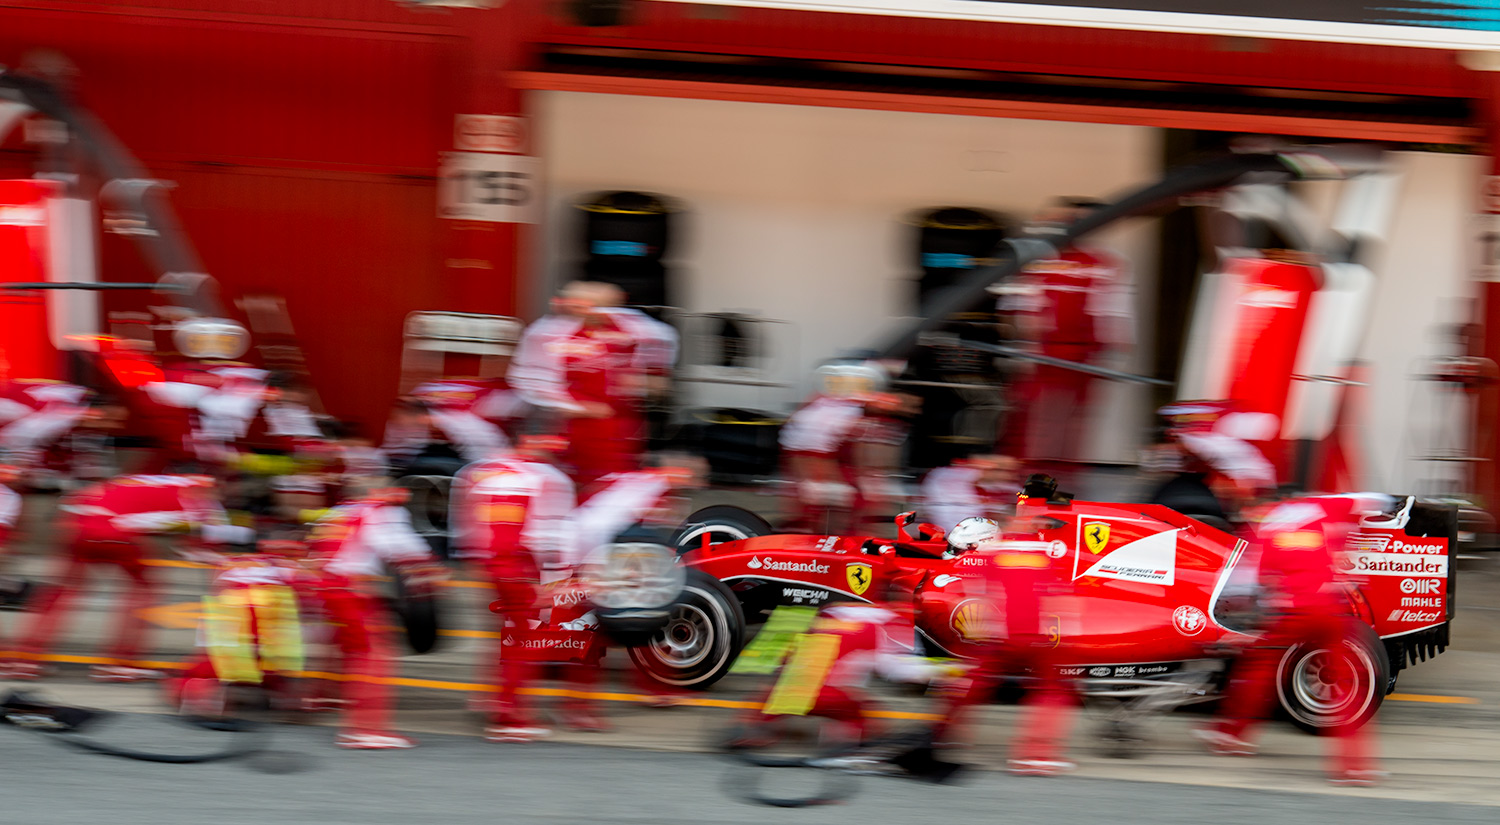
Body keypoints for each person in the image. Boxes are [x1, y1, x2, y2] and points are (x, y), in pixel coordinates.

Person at [1193, 494, 1383, 785]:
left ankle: (1231, 736)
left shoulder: (1265, 524)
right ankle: (1355, 768)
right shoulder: (1320, 508)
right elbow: (1365, 501)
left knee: (1259, 669)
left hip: (1291, 611)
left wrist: (1236, 623)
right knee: (1345, 685)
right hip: (1331, 608)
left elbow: (1244, 579)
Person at [0, 473, 253, 681]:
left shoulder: (152, 480)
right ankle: (121, 663)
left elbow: (87, 497)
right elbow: (199, 546)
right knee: (143, 591)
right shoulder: (199, 494)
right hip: (114, 530)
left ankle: (24, 660)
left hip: (79, 523)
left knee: (62, 592)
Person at [931, 482, 1079, 775]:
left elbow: (978, 593)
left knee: (969, 686)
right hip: (1035, 636)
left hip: (997, 636)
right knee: (1054, 690)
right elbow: (1061, 599)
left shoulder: (990, 554)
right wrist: (1069, 635)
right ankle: (1036, 756)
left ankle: (942, 739)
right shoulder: (1048, 554)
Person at [449, 434, 576, 741]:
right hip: (518, 563)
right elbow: (546, 535)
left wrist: (471, 558)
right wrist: (559, 578)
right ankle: (509, 716)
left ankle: (490, 697)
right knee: (525, 638)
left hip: (486, 563)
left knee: (503, 632)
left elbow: (463, 522)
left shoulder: (478, 470)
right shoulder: (540, 477)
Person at [996, 199, 1133, 481]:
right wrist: (1017, 349)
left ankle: (1061, 484)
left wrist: (1112, 353)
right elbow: (1011, 308)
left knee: (1073, 425)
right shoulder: (1032, 261)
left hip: (1082, 356)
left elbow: (1115, 312)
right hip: (1037, 355)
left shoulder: (1103, 263)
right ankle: (1019, 483)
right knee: (1029, 422)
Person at [301, 481, 445, 749]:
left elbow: (316, 548)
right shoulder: (380, 510)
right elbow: (398, 547)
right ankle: (365, 729)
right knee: (373, 654)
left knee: (347, 648)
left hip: (327, 586)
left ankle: (324, 699)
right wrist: (429, 570)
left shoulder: (339, 511)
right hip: (352, 588)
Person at [508, 281, 678, 491]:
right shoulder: (548, 332)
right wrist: (572, 406)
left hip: (619, 427)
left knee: (613, 487)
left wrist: (650, 377)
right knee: (562, 484)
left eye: (598, 306)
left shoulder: (631, 325)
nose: (589, 312)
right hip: (565, 426)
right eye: (579, 306)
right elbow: (523, 378)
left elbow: (666, 339)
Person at [920, 454, 1021, 534]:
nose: (1010, 476)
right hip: (963, 535)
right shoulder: (951, 476)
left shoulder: (944, 475)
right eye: (1008, 471)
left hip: (962, 531)